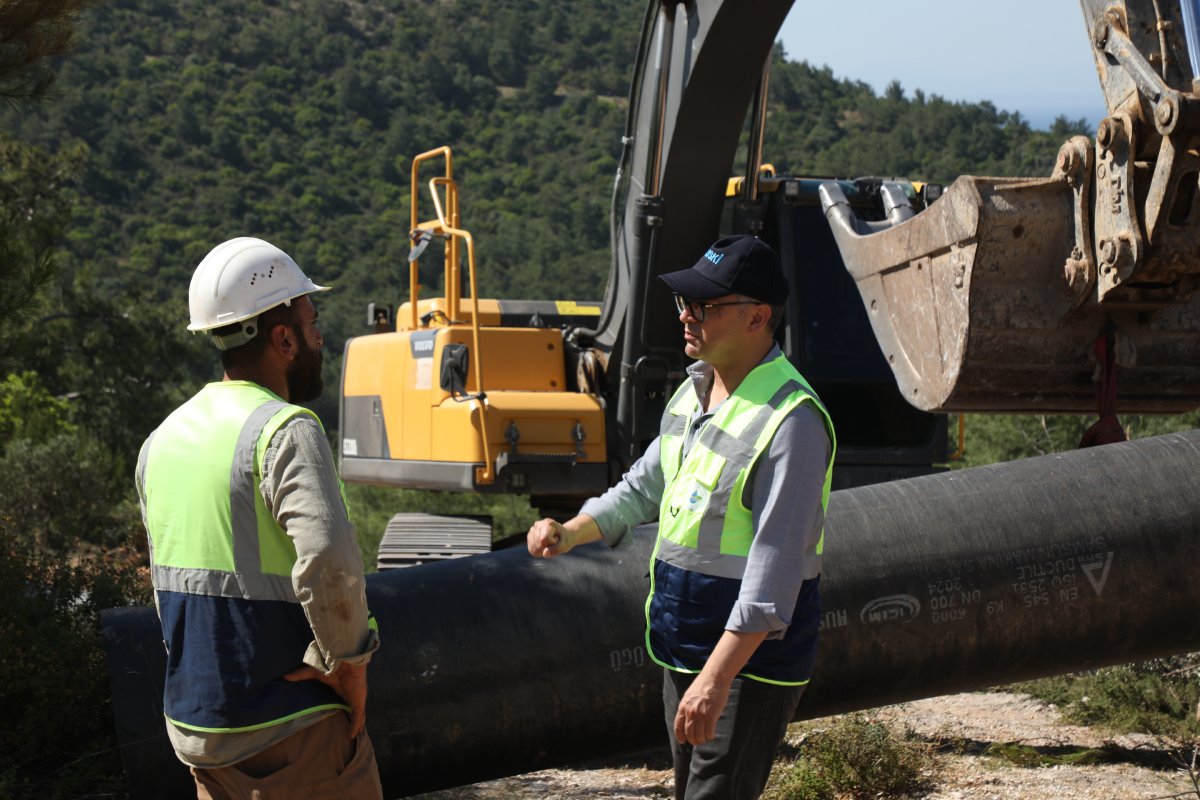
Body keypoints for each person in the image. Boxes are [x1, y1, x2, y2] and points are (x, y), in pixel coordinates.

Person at [527, 234, 835, 800]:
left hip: (746, 665)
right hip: (684, 646)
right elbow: (642, 488)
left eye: (704, 305)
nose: (686, 316)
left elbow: (775, 572)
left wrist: (717, 679)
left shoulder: (791, 421)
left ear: (757, 317)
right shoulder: (694, 394)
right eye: (684, 302)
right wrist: (571, 532)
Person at [135, 237, 383, 799]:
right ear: (284, 338)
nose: (320, 337)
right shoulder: (285, 430)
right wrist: (349, 665)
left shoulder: (160, 442)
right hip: (286, 725)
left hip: (199, 727)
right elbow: (329, 561)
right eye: (312, 321)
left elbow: (165, 586)